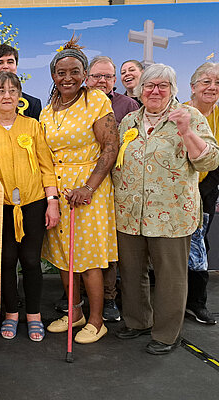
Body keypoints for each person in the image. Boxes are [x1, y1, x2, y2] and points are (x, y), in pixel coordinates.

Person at [113, 63, 219, 354]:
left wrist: (186, 132)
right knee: (132, 272)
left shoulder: (189, 117)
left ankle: (166, 334)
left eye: (162, 85)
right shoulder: (129, 121)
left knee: (171, 277)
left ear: (173, 89)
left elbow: (209, 162)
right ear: (139, 89)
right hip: (129, 212)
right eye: (149, 85)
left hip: (172, 214)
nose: (155, 91)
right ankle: (137, 322)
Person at [0, 71, 59, 341]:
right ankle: (11, 313)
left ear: (19, 96)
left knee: (31, 261)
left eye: (12, 91)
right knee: (6, 261)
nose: (6, 96)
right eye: (0, 91)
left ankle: (33, 315)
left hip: (33, 204)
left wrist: (52, 202)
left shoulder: (32, 126)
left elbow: (46, 166)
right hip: (0, 207)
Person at [40, 37, 119, 344]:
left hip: (90, 192)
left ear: (85, 74)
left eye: (75, 71)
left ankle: (97, 322)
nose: (68, 77)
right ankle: (75, 313)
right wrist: (53, 196)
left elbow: (111, 146)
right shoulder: (48, 110)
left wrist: (88, 187)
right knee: (64, 257)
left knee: (88, 260)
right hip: (58, 192)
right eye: (61, 72)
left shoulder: (96, 101)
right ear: (53, 76)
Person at [85, 55, 140, 322]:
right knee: (79, 240)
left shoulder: (127, 105)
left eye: (107, 76)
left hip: (115, 185)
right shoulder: (76, 102)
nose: (102, 81)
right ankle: (74, 296)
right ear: (87, 77)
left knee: (106, 246)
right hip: (81, 183)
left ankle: (109, 298)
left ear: (114, 80)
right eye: (97, 76)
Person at [184, 62, 219, 325]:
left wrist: (203, 191)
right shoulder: (180, 113)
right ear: (193, 86)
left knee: (199, 248)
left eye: (217, 83)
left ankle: (197, 303)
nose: (212, 87)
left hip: (205, 191)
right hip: (175, 192)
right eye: (206, 82)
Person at [0, 43, 42, 120]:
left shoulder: (33, 104)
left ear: (16, 67)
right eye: (0, 63)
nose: (5, 66)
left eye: (10, 62)